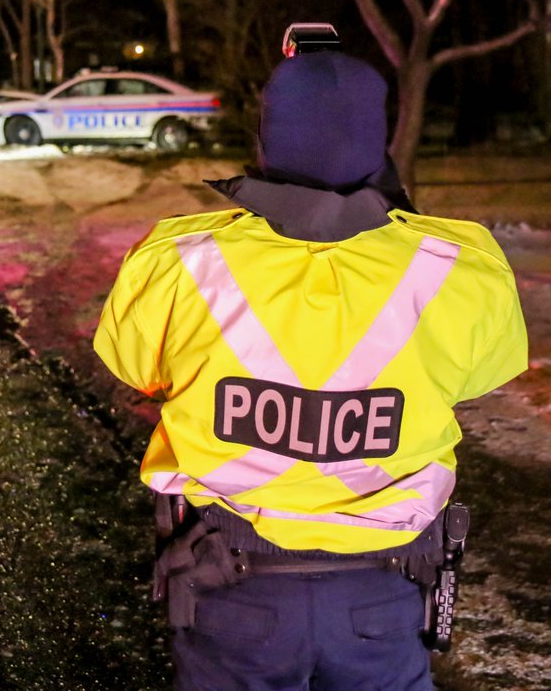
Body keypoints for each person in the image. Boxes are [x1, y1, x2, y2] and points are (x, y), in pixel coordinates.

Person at [93, 38, 528, 690]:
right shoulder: (458, 267)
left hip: (231, 588)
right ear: (380, 143)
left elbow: (135, 365)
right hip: (380, 598)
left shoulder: (178, 262)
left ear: (266, 143)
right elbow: (479, 372)